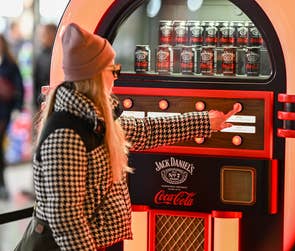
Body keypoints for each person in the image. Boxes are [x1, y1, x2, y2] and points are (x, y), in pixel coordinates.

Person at [17, 23, 241, 251]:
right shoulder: (66, 133)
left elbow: (147, 131)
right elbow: (66, 220)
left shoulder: (95, 119)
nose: (116, 78)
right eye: (113, 70)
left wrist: (206, 121)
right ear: (95, 75)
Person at [0, 34, 24, 200]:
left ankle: (2, 185)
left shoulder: (10, 65)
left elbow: (19, 89)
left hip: (3, 112)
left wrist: (16, 109)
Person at [33, 23, 57, 109]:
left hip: (54, 101)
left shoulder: (58, 54)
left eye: (44, 34)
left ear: (53, 34)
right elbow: (37, 81)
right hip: (43, 101)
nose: (41, 37)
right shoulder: (41, 55)